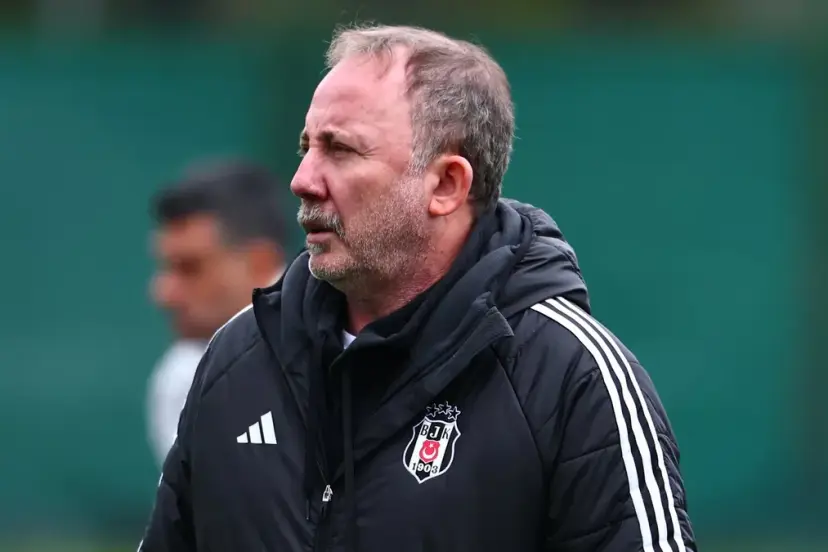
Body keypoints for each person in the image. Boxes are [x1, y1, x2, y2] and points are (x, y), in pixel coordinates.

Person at [139, 25, 697, 552]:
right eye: (306, 147)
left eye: (341, 149)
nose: (302, 179)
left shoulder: (572, 377)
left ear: (446, 184)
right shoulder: (237, 358)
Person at [146, 160, 288, 466]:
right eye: (166, 268)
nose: (164, 294)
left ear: (261, 264)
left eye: (190, 268)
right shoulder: (183, 377)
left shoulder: (348, 340)